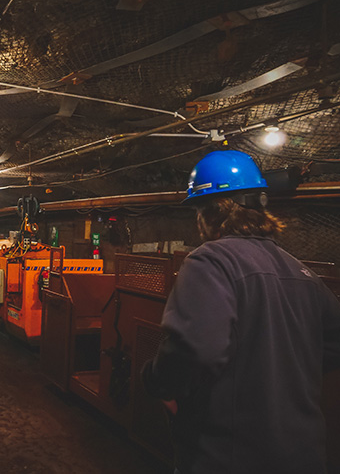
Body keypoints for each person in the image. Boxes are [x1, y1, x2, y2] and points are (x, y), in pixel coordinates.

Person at [141, 150, 340, 474]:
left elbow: (195, 348)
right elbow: (333, 344)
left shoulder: (210, 261)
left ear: (209, 212)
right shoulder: (303, 273)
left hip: (228, 456)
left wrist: (159, 383)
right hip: (305, 455)